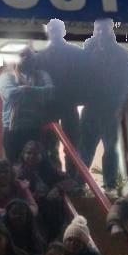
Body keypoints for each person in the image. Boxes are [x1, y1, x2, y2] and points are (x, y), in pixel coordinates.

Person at [78, 19, 128, 194]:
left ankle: (110, 185)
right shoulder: (88, 51)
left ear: (111, 30)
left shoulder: (123, 54)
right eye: (98, 29)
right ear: (94, 30)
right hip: (91, 106)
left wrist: (120, 105)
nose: (101, 32)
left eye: (104, 29)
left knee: (110, 147)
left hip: (111, 108)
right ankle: (79, 183)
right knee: (85, 147)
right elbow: (80, 75)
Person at [31, 18, 85, 168]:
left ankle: (72, 178)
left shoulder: (76, 53)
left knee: (72, 145)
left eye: (57, 30)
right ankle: (53, 177)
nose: (54, 33)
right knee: (48, 145)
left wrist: (81, 97)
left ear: (63, 31)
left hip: (69, 103)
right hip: (49, 106)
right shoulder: (39, 56)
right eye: (51, 30)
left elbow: (85, 78)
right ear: (48, 32)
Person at [0, 45, 56, 163]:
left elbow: (50, 93)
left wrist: (25, 89)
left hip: (35, 128)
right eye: (22, 55)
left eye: (29, 55)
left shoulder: (42, 75)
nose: (26, 58)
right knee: (14, 166)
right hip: (13, 129)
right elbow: (10, 95)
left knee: (36, 165)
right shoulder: (6, 76)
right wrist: (36, 93)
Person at [17, 139, 75, 243]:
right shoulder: (18, 172)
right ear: (23, 154)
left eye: (36, 153)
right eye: (28, 153)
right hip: (29, 207)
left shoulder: (49, 169)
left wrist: (57, 188)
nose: (32, 156)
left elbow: (69, 180)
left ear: (42, 155)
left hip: (49, 206)